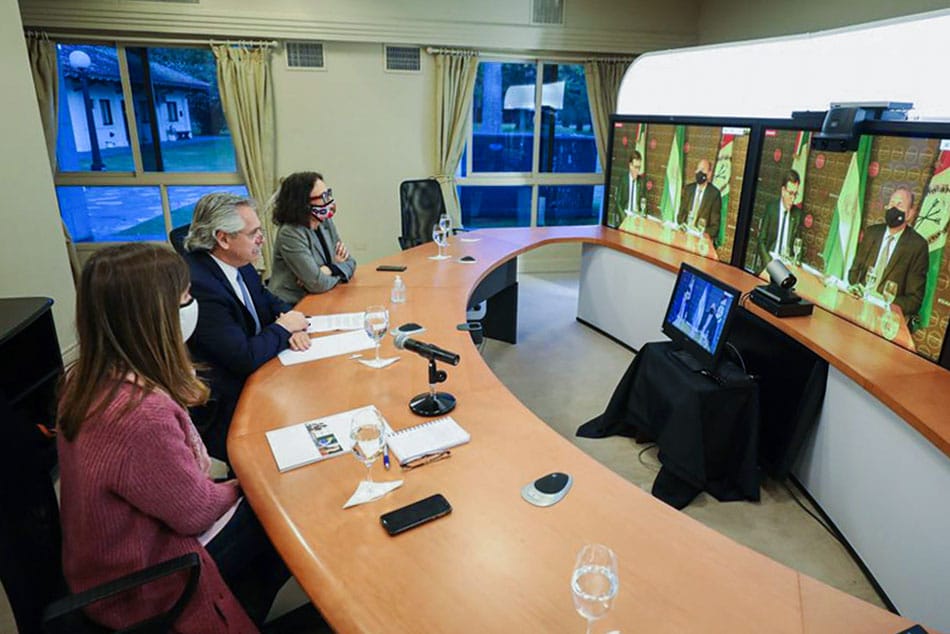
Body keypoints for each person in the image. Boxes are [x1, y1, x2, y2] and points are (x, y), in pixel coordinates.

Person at [56, 244, 289, 631]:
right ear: (155, 316)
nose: (192, 305)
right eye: (185, 297)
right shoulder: (138, 414)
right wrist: (250, 482)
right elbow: (195, 511)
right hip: (143, 580)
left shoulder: (86, 377)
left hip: (104, 560)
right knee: (285, 509)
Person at [183, 193, 310, 460]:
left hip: (260, 374)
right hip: (228, 404)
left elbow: (268, 300)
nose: (261, 238)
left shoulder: (239, 262)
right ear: (223, 239)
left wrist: (292, 322)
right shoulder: (201, 285)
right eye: (253, 233)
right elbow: (244, 357)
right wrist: (283, 329)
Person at [269, 171, 358, 304]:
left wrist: (328, 269)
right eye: (323, 196)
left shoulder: (325, 222)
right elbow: (317, 284)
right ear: (303, 203)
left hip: (323, 296)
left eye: (328, 193)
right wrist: (336, 268)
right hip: (292, 304)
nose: (329, 200)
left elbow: (351, 263)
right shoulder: (290, 233)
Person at [847, 186, 929, 320]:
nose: (893, 208)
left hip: (887, 317)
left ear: (910, 213)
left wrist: (881, 301)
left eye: (899, 205)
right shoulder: (871, 233)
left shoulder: (917, 246)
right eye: (891, 203)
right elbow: (854, 273)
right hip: (857, 306)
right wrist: (858, 290)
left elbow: (914, 301)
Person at [756, 170, 803, 271]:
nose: (793, 199)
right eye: (790, 193)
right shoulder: (771, 209)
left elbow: (798, 246)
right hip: (770, 262)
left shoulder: (797, 215)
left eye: (795, 194)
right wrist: (769, 263)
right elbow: (761, 241)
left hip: (787, 267)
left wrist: (795, 264)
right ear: (783, 191)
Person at [677, 158, 722, 244]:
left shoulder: (714, 195)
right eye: (698, 169)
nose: (699, 172)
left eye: (702, 169)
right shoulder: (688, 189)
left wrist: (699, 232)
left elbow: (715, 228)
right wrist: (683, 226)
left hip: (701, 241)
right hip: (684, 236)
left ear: (709, 174)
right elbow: (680, 216)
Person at [615, 151, 644, 217]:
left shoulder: (641, 182)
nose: (638, 171)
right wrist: (623, 218)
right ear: (630, 165)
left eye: (639, 167)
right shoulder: (623, 180)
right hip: (625, 215)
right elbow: (618, 202)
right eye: (635, 167)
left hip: (636, 217)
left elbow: (643, 202)